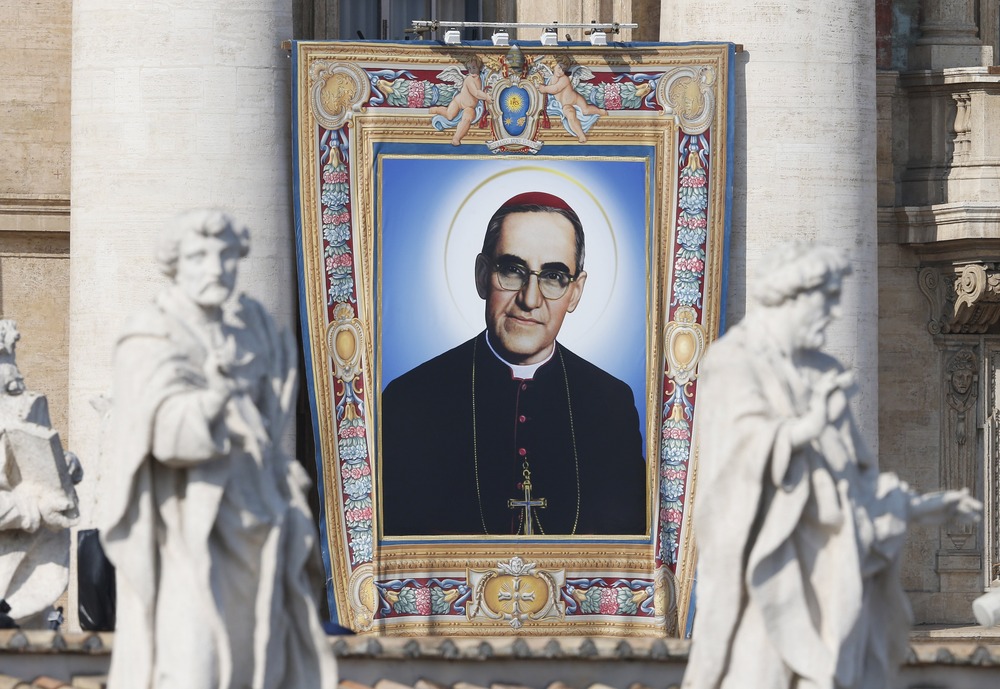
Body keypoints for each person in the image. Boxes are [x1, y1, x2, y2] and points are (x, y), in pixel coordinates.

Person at [683, 243, 981, 689]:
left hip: (830, 577)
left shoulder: (823, 370)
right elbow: (732, 471)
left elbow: (854, 484)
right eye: (826, 299)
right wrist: (805, 428)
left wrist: (920, 509)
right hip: (765, 577)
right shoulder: (733, 363)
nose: (834, 313)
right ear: (792, 297)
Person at [98, 210, 335, 689]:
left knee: (260, 663)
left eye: (227, 256)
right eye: (199, 256)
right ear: (174, 264)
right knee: (192, 664)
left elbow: (275, 412)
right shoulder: (150, 334)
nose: (215, 269)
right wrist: (214, 397)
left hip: (256, 520)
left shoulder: (255, 328)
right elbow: (162, 435)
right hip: (187, 526)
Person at [381, 192, 646, 536]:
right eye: (512, 270)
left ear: (576, 292)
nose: (530, 299)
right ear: (482, 275)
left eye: (553, 277)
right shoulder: (410, 399)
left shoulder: (612, 402)